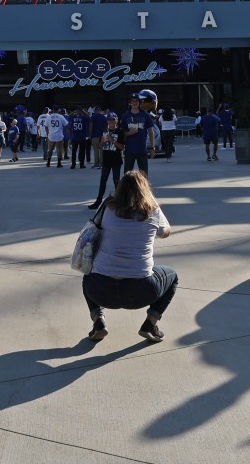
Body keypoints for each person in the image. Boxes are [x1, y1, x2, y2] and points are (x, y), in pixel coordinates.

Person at [81, 170, 177, 344]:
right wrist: (152, 203)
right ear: (145, 190)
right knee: (173, 276)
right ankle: (151, 323)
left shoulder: (107, 206)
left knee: (88, 274)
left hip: (101, 290)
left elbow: (94, 226)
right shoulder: (152, 210)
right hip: (141, 291)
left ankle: (98, 321)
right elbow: (166, 232)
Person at [91, 113, 125, 209]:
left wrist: (113, 141)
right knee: (103, 180)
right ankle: (98, 201)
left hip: (116, 160)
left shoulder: (120, 132)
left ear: (116, 121)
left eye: (113, 120)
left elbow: (122, 147)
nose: (111, 122)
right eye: (109, 120)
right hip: (106, 159)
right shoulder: (105, 131)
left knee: (116, 181)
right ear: (107, 121)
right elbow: (99, 146)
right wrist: (103, 141)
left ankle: (119, 201)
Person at [122, 95, 155, 175]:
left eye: (136, 101)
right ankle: (127, 188)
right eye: (132, 101)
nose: (134, 103)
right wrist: (128, 133)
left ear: (140, 103)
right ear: (129, 103)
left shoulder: (145, 115)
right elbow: (121, 133)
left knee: (144, 175)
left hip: (142, 150)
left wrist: (152, 148)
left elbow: (151, 132)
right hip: (129, 150)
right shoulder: (125, 116)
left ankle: (143, 188)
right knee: (127, 175)